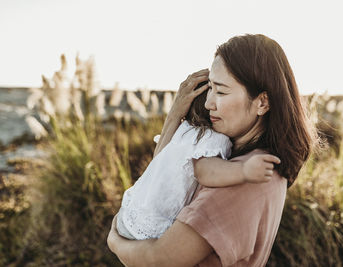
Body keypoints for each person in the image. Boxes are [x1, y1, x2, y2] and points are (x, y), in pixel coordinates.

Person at [108, 33, 318, 266]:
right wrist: (176, 113)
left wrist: (115, 242)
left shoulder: (242, 177)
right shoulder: (245, 162)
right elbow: (164, 170)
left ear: (262, 102)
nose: (209, 104)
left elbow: (160, 259)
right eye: (210, 89)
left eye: (221, 91)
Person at [116, 79, 281, 240]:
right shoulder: (213, 138)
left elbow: (158, 158)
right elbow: (205, 171)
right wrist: (243, 170)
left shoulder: (183, 131)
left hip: (129, 212)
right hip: (153, 225)